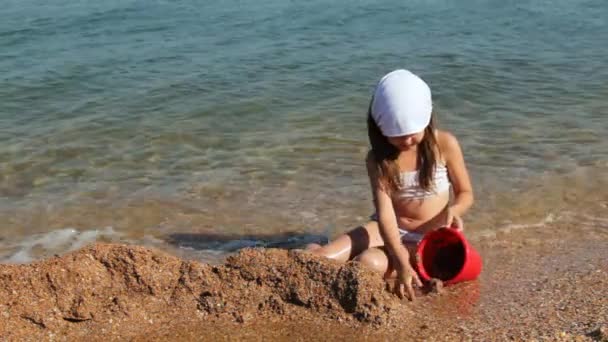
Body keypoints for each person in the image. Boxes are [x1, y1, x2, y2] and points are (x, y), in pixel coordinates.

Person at [307, 69, 474, 301]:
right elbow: (386, 215)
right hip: (387, 229)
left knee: (367, 262)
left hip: (430, 238)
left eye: (411, 133)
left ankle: (398, 270)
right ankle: (312, 249)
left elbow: (466, 193)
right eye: (397, 135)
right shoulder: (377, 159)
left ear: (426, 119)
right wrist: (399, 258)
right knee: (321, 260)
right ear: (380, 130)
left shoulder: (444, 144)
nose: (406, 141)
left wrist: (453, 212)